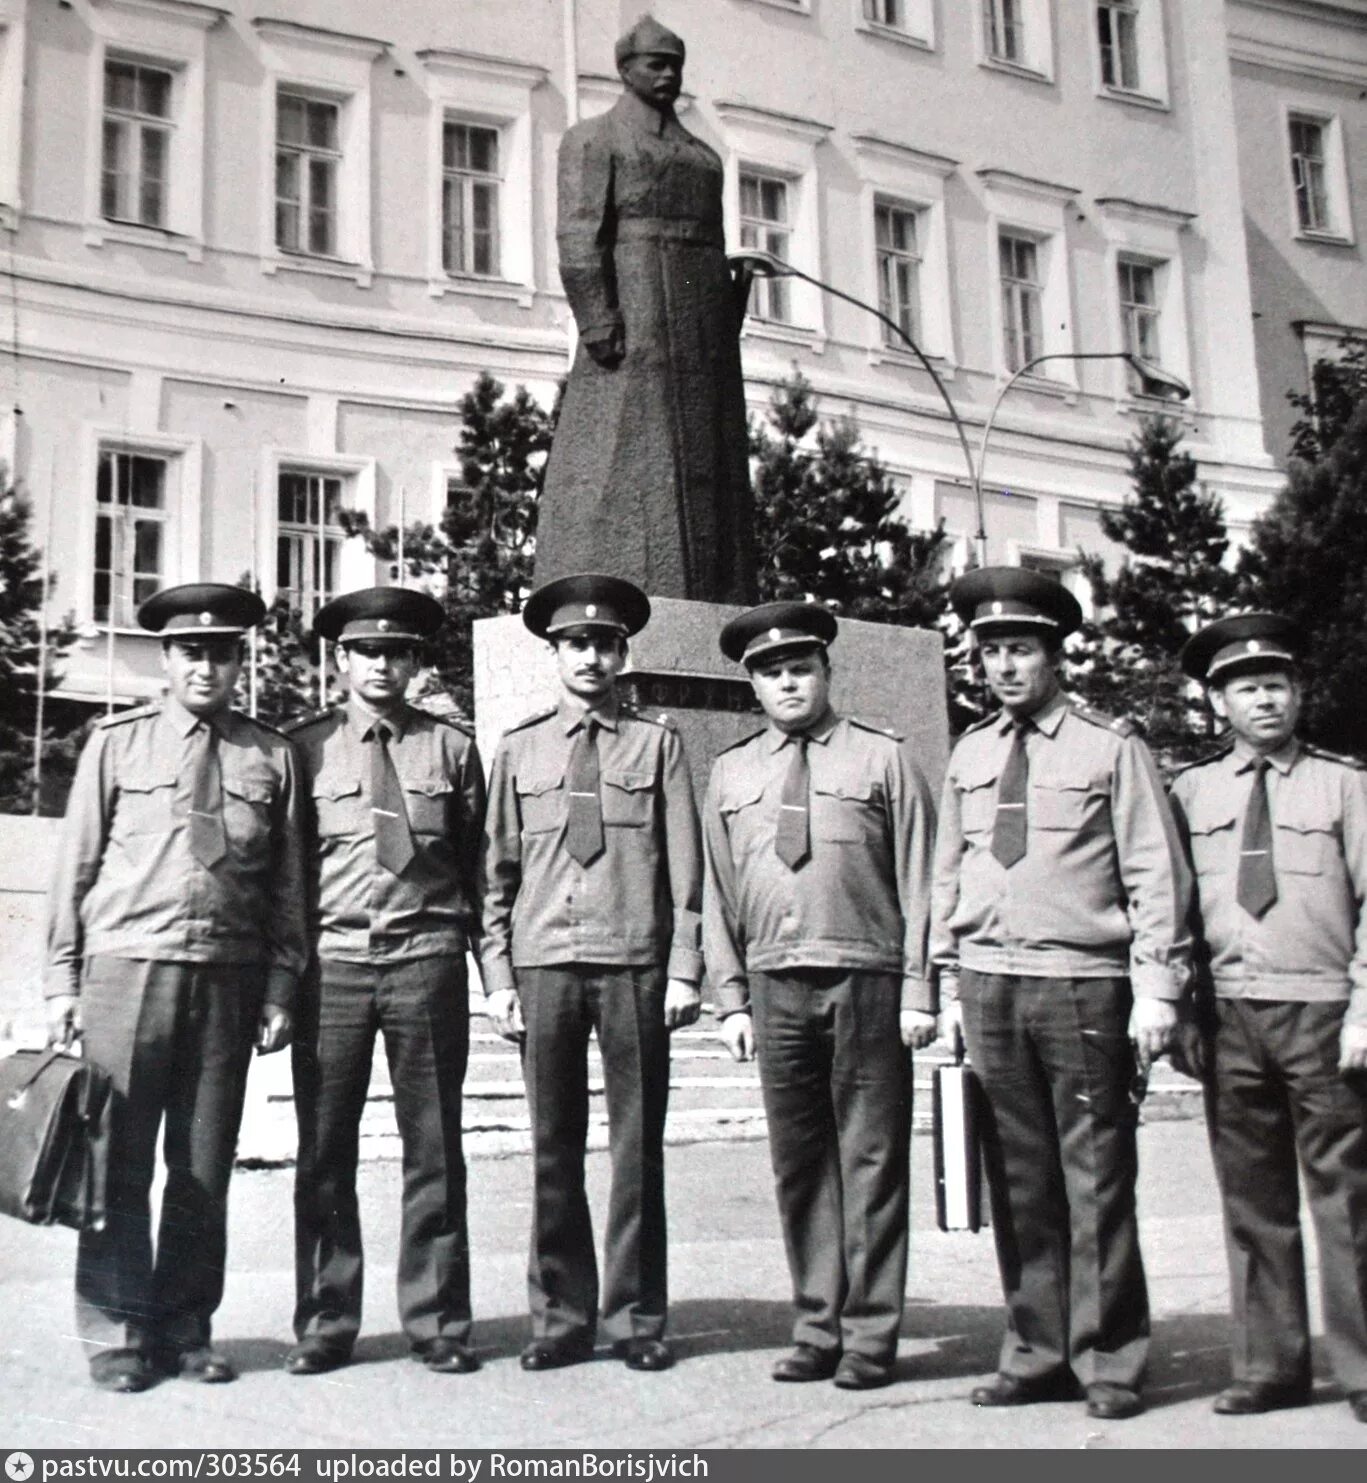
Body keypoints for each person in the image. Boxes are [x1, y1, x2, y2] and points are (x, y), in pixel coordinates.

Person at [930, 567, 1191, 1422]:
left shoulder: (1110, 747)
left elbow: (1156, 874)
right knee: (1018, 1179)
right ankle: (1037, 1349)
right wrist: (943, 979)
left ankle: (1109, 1357)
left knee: (1094, 1177)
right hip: (990, 983)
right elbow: (948, 874)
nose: (1005, 666)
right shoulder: (968, 752)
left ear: (1054, 654)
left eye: (1021, 649)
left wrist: (1156, 990)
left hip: (1082, 983)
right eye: (991, 650)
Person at [44, 583, 306, 1393]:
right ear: (166, 658)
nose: (207, 665)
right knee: (118, 1160)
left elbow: (288, 885)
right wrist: (61, 980)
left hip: (227, 976)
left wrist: (279, 986)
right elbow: (75, 868)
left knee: (202, 1166)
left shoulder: (271, 754)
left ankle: (186, 1327)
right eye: (192, 651)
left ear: (239, 662)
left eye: (223, 651)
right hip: (128, 969)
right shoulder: (116, 745)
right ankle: (118, 1331)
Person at [702, 601, 937, 1390]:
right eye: (771, 672)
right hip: (774, 980)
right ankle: (816, 1325)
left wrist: (919, 986)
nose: (787, 682)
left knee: (870, 1156)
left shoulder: (881, 759)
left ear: (826, 672)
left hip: (866, 974)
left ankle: (870, 1335)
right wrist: (730, 997)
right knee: (799, 1162)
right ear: (752, 685)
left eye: (800, 667)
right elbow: (718, 888)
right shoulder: (732, 770)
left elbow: (921, 875)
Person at [480, 573, 703, 1373]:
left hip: (633, 963)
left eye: (605, 643)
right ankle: (560, 1318)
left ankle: (637, 1317)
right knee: (551, 1148)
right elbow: (494, 878)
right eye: (577, 643)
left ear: (621, 654)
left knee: (636, 1149)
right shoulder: (519, 748)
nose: (591, 657)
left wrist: (685, 970)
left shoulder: (657, 745)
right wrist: (498, 977)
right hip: (544, 964)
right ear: (555, 653)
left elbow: (688, 870)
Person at [283, 588, 486, 1377]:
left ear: (415, 663)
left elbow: (477, 864)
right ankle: (327, 1320)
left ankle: (437, 1319)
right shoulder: (303, 748)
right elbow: (287, 872)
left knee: (434, 1147)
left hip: (425, 959)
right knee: (324, 1150)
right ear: (340, 659)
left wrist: (482, 966)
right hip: (332, 967)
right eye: (366, 651)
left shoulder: (452, 750)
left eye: (397, 652)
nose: (381, 664)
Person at [1170, 613, 1367, 1423]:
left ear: (1298, 692)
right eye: (1247, 687)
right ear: (1216, 700)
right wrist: (1182, 1006)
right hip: (1231, 1015)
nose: (1266, 698)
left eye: (1278, 683)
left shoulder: (1345, 784)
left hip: (1323, 1010)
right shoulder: (1189, 790)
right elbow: (1172, 907)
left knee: (1346, 1198)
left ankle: (1360, 1368)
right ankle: (1269, 1364)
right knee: (1251, 1201)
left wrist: (1364, 1006)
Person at [534, 15, 756, 604]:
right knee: (630, 443)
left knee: (713, 451)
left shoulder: (703, 157)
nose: (667, 75)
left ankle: (718, 590)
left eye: (674, 65)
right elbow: (579, 233)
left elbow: (710, 238)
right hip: (636, 305)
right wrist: (597, 316)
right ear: (625, 69)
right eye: (655, 63)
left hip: (701, 316)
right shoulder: (594, 139)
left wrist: (734, 286)